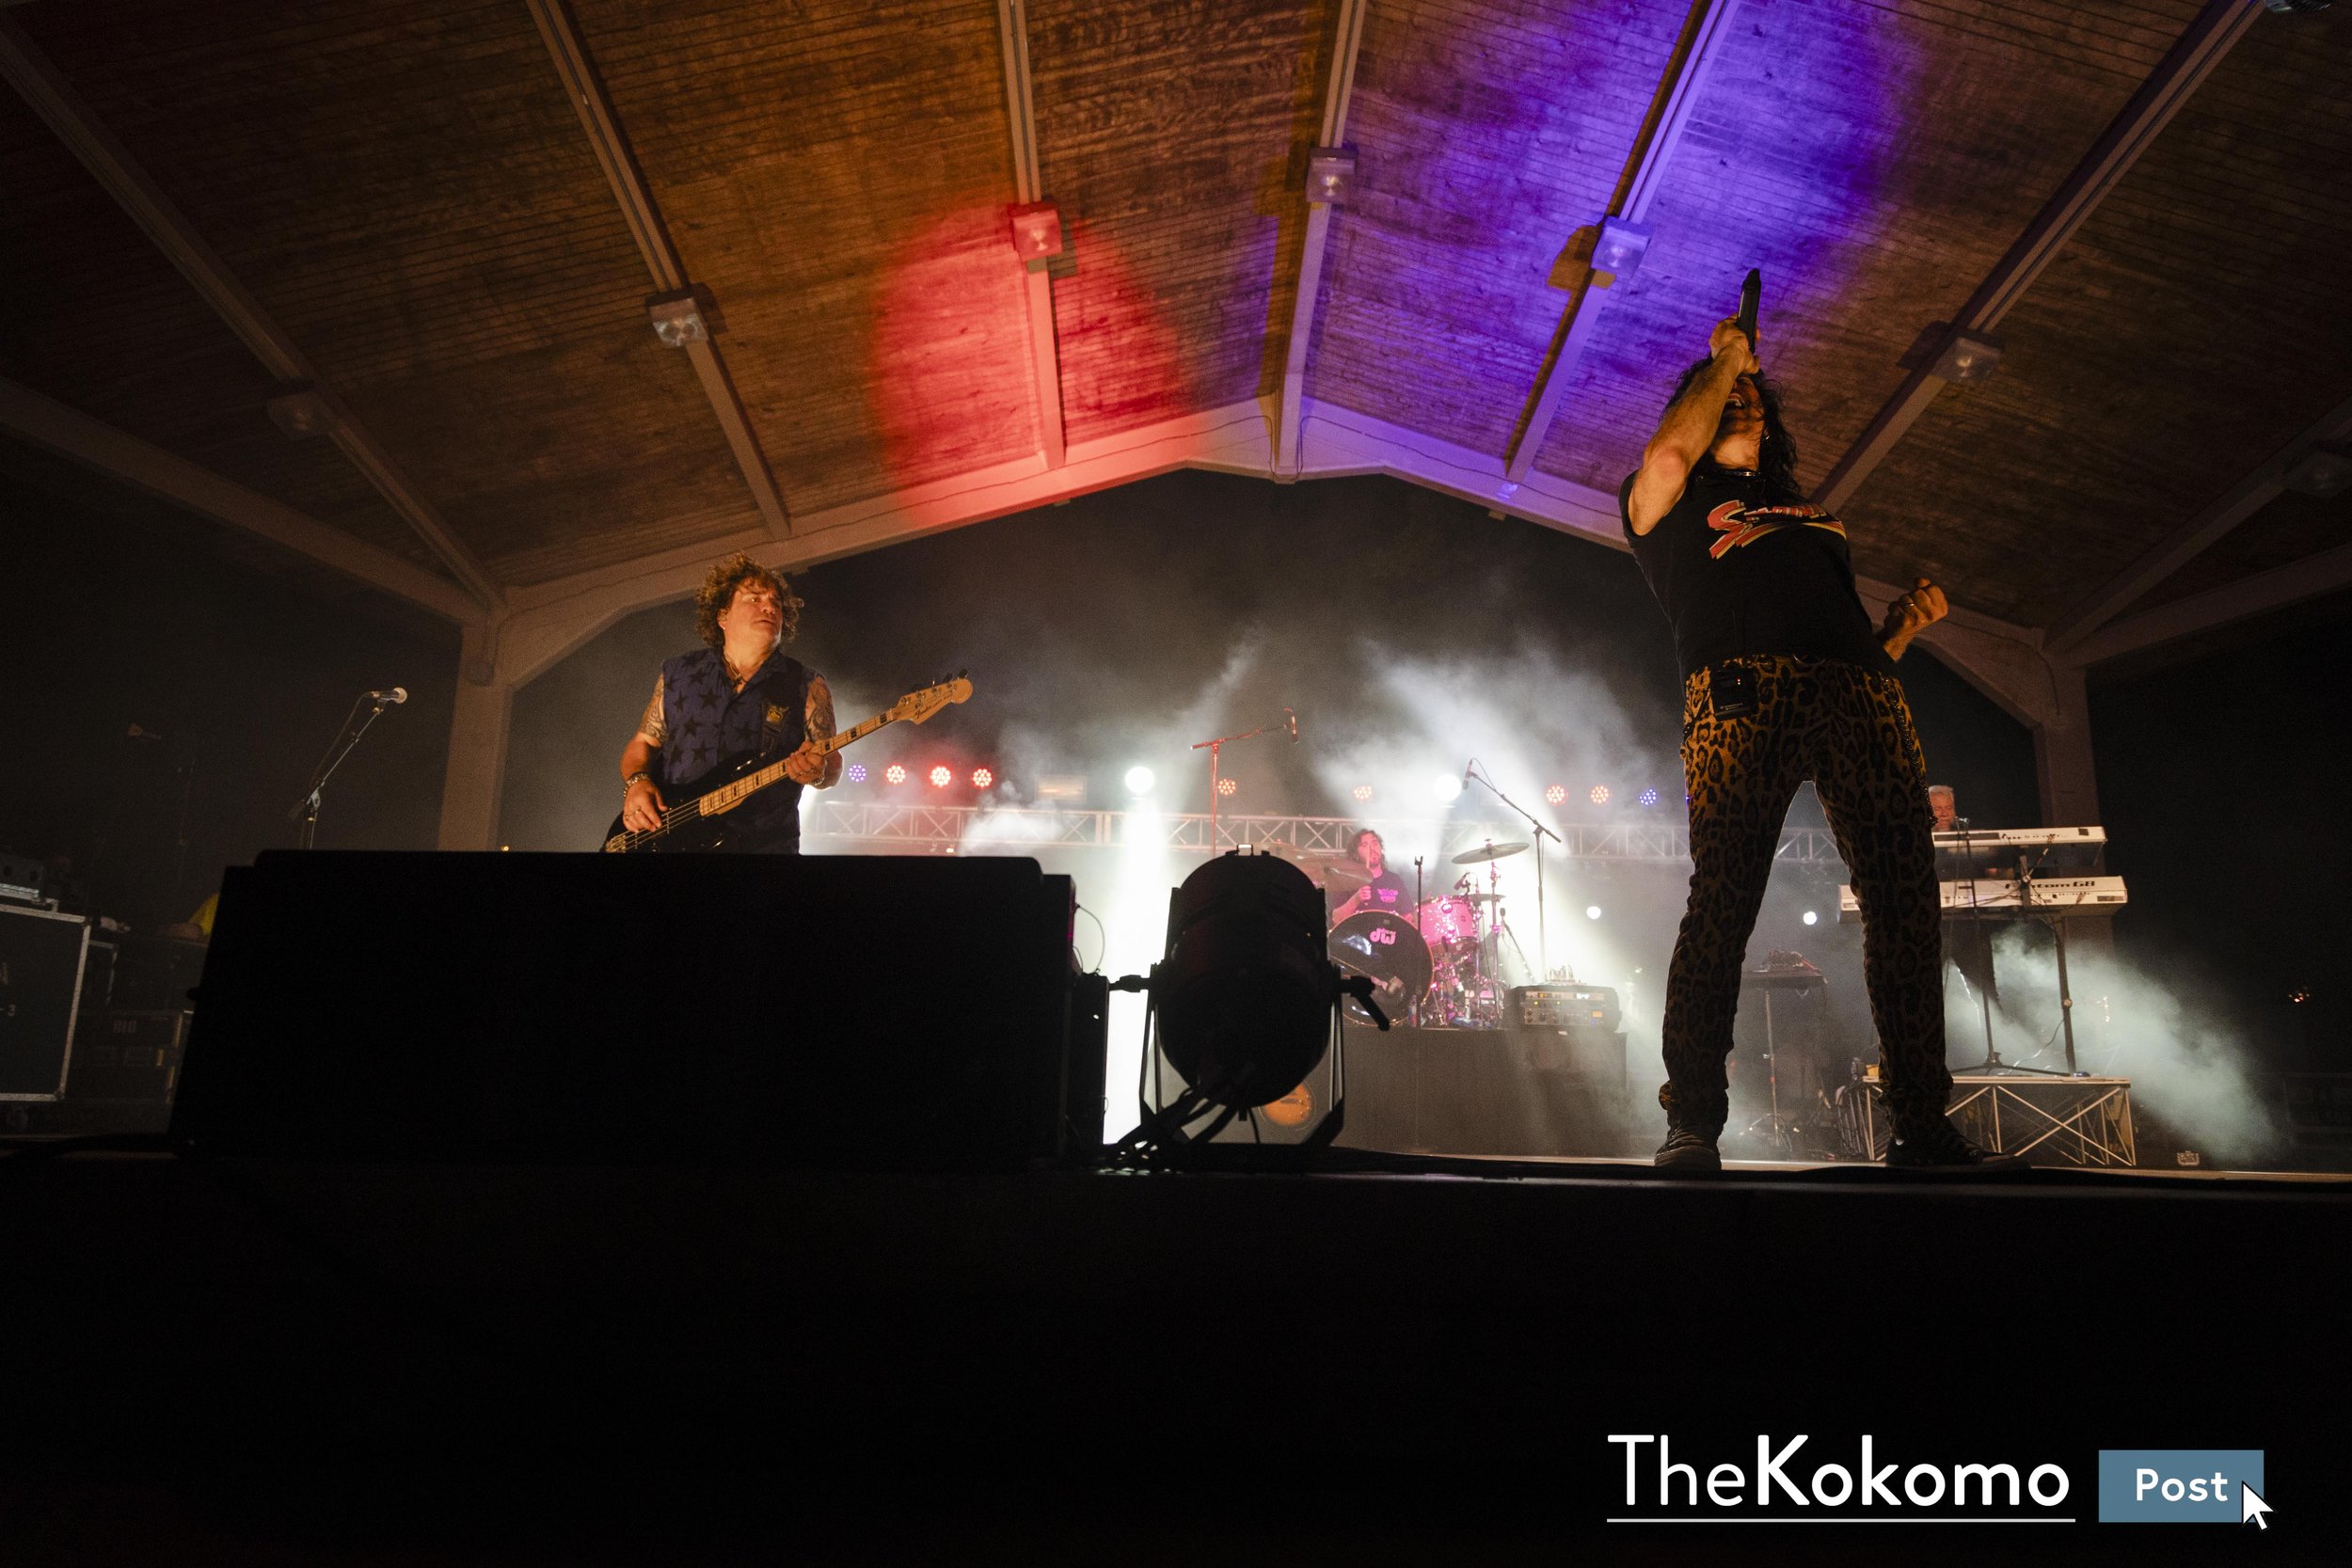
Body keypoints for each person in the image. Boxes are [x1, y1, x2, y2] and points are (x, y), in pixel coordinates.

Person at [1621, 314, 2020, 1171]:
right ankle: (1692, 1119)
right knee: (1724, 896)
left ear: (1768, 421)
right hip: (1742, 689)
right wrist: (1728, 356)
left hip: (1861, 690)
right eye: (1723, 395)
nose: (1739, 401)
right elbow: (1663, 458)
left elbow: (1835, 626)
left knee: (1906, 900)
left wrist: (1897, 633)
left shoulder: (1811, 510)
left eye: (1750, 397)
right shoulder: (1670, 498)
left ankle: (1922, 1125)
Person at [617, 553, 840, 853]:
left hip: (764, 845)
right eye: (754, 598)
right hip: (668, 837)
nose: (769, 607)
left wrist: (820, 771)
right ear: (722, 616)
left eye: (776, 603)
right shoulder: (680, 673)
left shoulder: (806, 683)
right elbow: (642, 743)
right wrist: (637, 782)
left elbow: (833, 764)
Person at [1328, 828, 1409, 927]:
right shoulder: (1345, 881)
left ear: (1381, 848)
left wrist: (1413, 918)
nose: (1372, 848)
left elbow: (1408, 917)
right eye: (1365, 845)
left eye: (1375, 843)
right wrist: (1356, 899)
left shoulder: (1394, 880)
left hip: (1389, 938)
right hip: (1356, 940)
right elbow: (1336, 919)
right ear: (1356, 854)